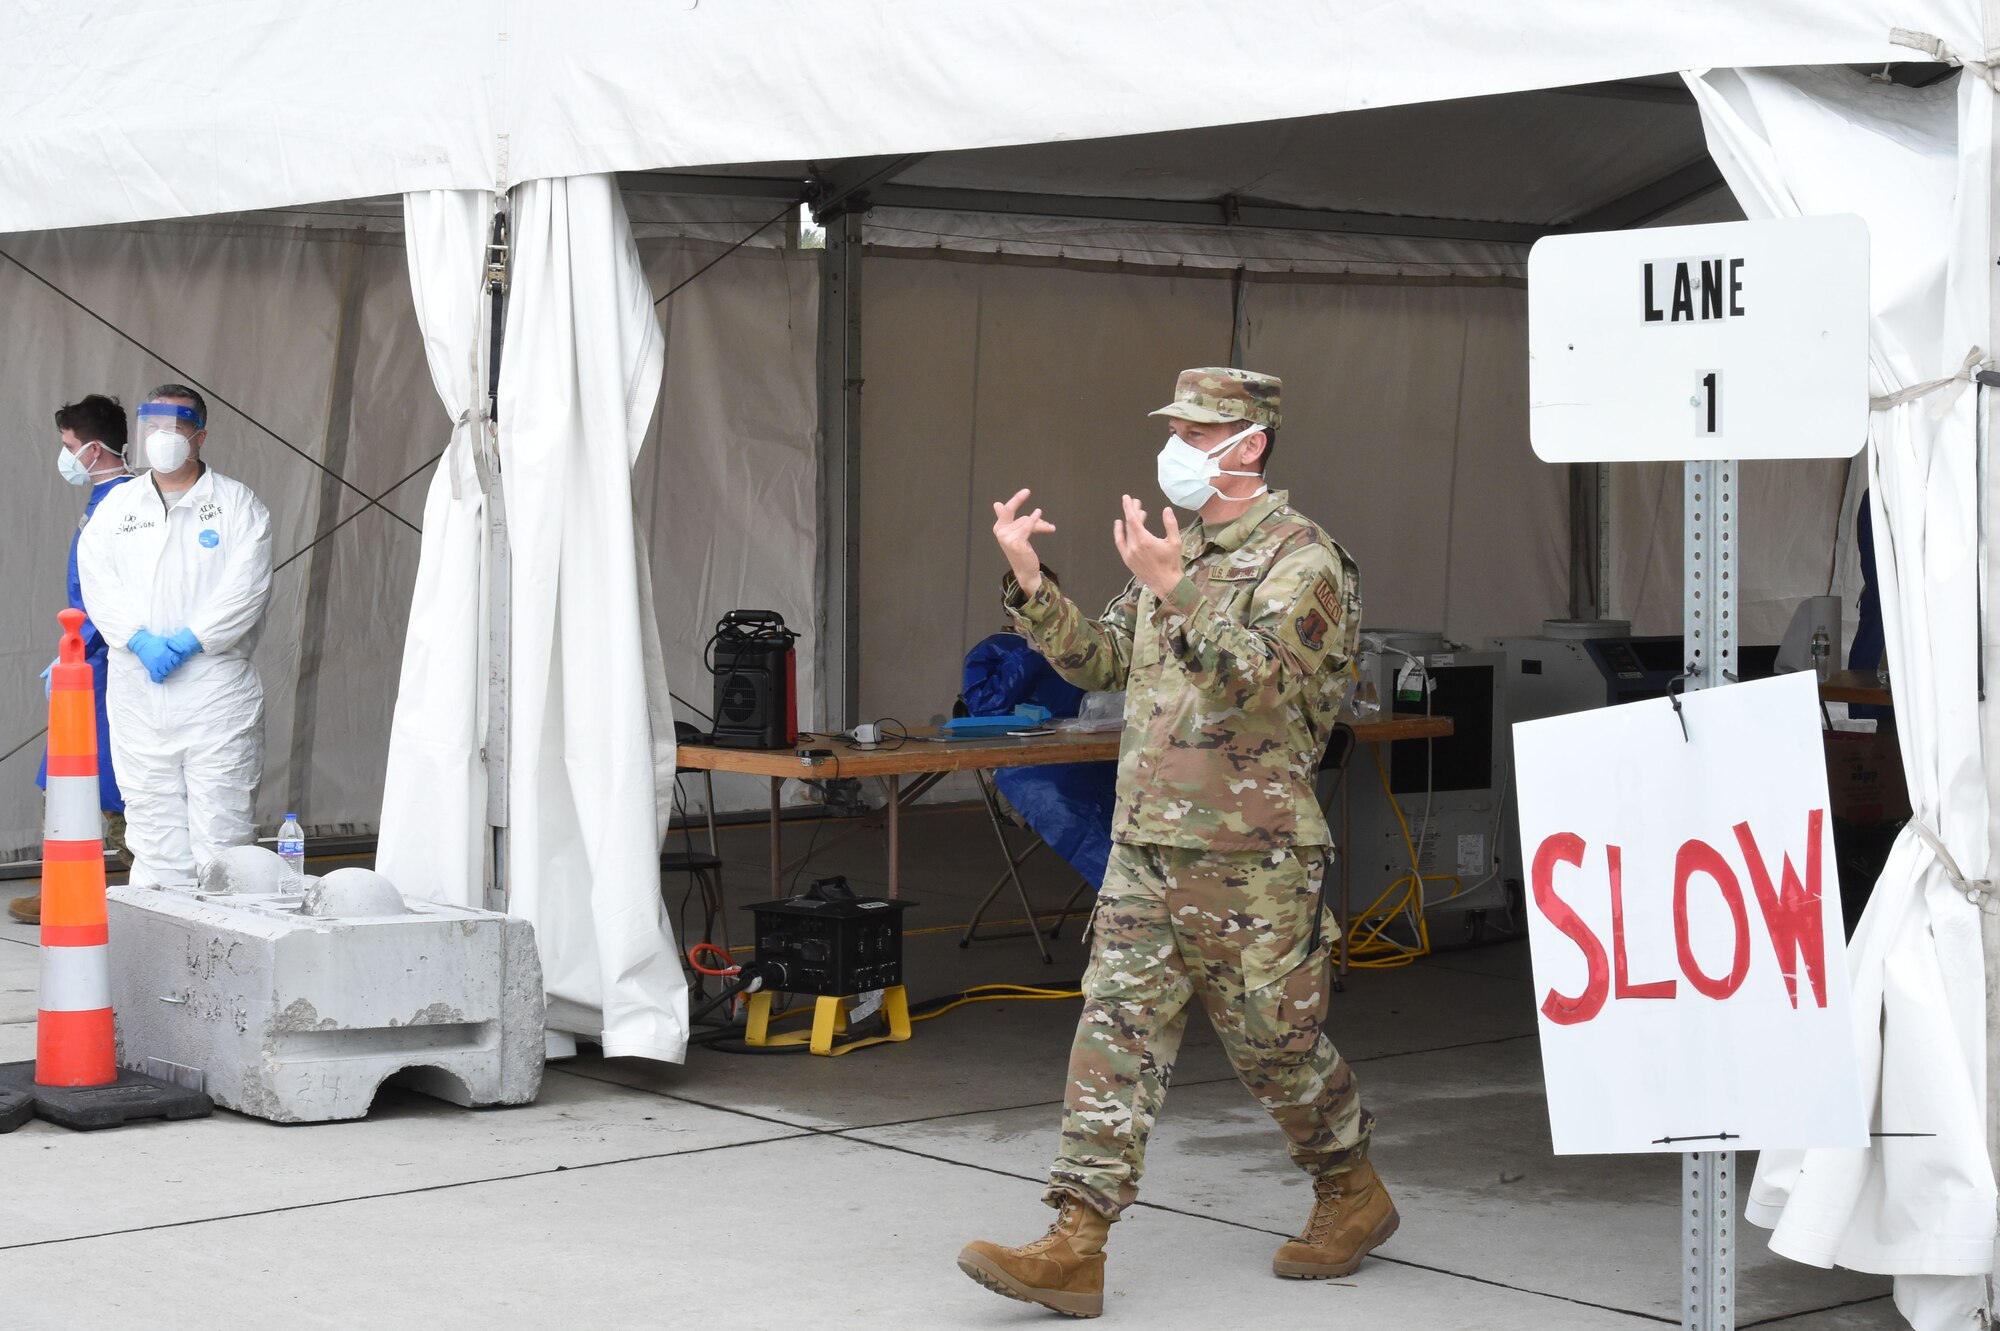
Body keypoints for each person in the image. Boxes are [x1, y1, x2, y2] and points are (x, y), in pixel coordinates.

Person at [958, 368, 1382, 1318]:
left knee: (1278, 1049)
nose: (1179, 448)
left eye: (1197, 432)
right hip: (1149, 843)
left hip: (1253, 859)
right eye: (1177, 430)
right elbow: (1102, 659)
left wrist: (1182, 591)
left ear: (1250, 444)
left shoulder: (1305, 561)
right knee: (1114, 1032)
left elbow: (1266, 687)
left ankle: (1351, 1188)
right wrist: (1031, 582)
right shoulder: (1174, 549)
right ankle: (1076, 1241)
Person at [76, 384, 273, 888]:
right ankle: (160, 961)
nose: (162, 436)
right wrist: (138, 640)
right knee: (151, 830)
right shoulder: (117, 508)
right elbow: (98, 584)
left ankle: (227, 958)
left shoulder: (237, 505)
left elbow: (245, 590)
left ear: (200, 435)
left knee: (222, 836)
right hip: (139, 689)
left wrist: (188, 641)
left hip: (213, 692)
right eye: (153, 426)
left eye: (176, 426)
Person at [10, 396, 136, 926]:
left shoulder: (127, 505)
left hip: (107, 663)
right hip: (87, 659)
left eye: (68, 446)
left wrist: (82, 646)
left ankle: (143, 885)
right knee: (70, 774)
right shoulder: (106, 500)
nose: (64, 456)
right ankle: (61, 885)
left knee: (115, 781)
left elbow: (113, 593)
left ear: (93, 447)